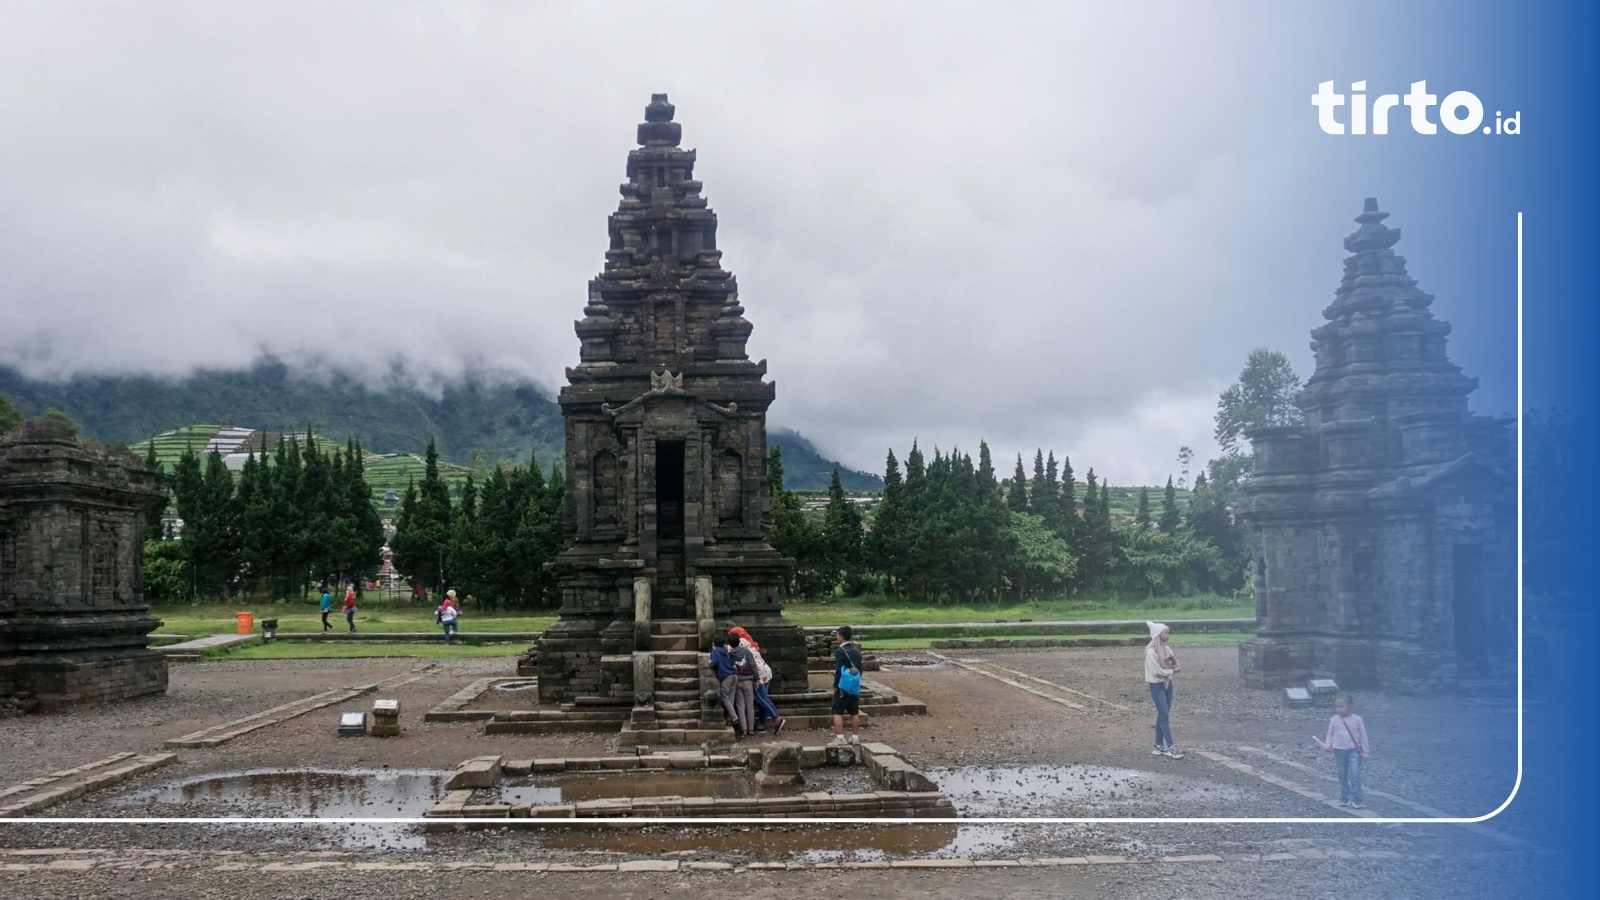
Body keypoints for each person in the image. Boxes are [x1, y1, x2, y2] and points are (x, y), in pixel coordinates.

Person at [1315, 693, 1372, 808]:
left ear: (1350, 706)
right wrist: (1328, 744)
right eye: (1337, 706)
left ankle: (1357, 799)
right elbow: (1330, 733)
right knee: (1342, 775)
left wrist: (1365, 752)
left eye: (1341, 706)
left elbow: (1363, 736)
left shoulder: (1357, 719)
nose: (1338, 709)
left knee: (1355, 774)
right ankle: (1344, 797)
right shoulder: (1334, 720)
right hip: (1339, 751)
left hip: (1353, 750)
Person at [730, 626, 785, 734]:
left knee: (761, 698)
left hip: (758, 674)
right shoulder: (749, 640)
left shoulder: (740, 643)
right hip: (765, 671)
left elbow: (734, 652)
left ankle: (777, 718)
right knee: (762, 699)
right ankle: (761, 724)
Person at [1144, 621, 1184, 758]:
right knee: (1164, 716)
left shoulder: (1167, 650)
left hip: (1167, 684)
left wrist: (1176, 666)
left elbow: (1173, 662)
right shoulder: (1150, 652)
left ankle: (1158, 745)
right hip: (1157, 685)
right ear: (1158, 634)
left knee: (1163, 714)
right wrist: (1171, 672)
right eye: (1166, 632)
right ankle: (1171, 746)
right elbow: (1156, 672)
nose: (1168, 635)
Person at [831, 625, 864, 746]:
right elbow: (860, 668)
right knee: (854, 712)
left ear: (841, 636)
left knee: (837, 711)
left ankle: (840, 738)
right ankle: (855, 737)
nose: (837, 637)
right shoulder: (856, 650)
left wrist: (836, 684)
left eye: (837, 635)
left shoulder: (840, 651)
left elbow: (839, 669)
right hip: (854, 683)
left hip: (843, 684)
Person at [709, 636, 743, 738]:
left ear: (714, 644)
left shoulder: (715, 651)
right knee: (730, 699)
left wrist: (709, 664)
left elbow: (714, 663)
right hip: (734, 675)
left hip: (726, 676)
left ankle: (734, 718)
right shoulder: (726, 652)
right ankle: (731, 720)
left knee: (724, 697)